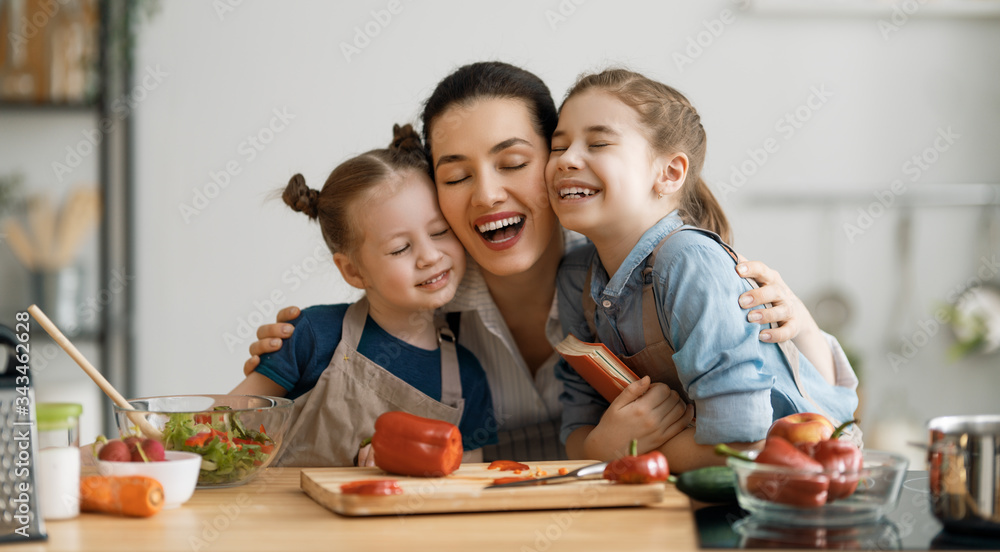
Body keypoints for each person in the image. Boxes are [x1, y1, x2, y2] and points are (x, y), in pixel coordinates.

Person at [242, 62, 854, 462]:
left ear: (555, 165)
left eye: (513, 163)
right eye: (456, 175)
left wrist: (800, 328)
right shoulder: (424, 298)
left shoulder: (648, 280)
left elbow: (793, 416)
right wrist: (293, 358)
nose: (486, 195)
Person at [548, 69, 859, 472]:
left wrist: (625, 452)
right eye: (558, 146)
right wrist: (602, 446)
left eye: (598, 143)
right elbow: (578, 422)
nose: (567, 159)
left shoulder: (688, 260)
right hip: (690, 477)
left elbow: (740, 440)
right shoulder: (575, 274)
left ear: (670, 173)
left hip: (806, 469)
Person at [230, 124, 497, 467]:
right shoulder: (313, 334)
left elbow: (469, 483)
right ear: (353, 271)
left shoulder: (467, 376)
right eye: (400, 248)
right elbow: (225, 424)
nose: (430, 256)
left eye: (440, 231)